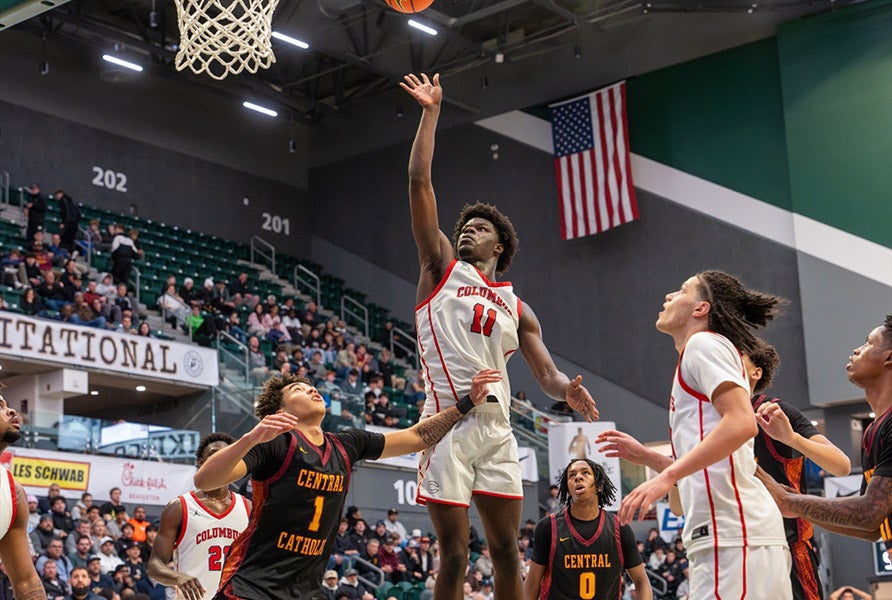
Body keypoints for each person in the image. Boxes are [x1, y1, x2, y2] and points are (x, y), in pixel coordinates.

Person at [400, 72, 598, 600]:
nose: (468, 230)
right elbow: (420, 183)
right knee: (456, 553)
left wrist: (566, 392)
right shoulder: (439, 266)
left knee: (508, 550)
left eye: (480, 228)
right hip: (446, 421)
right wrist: (431, 113)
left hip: (497, 428)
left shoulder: (518, 306)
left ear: (500, 246)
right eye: (465, 225)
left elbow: (548, 375)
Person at [193, 370, 500, 600]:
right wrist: (250, 438)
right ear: (281, 411)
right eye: (299, 389)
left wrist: (467, 403)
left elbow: (418, 437)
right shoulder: (276, 443)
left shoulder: (348, 444)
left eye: (311, 386)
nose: (311, 389)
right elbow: (205, 480)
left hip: (305, 591)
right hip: (252, 588)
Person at [597, 270, 792, 599]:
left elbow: (744, 422)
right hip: (734, 537)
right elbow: (704, 469)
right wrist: (650, 459)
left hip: (734, 536)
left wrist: (666, 474)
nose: (668, 296)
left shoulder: (702, 344)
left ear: (701, 309)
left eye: (682, 290)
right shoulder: (699, 355)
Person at [757, 316, 892, 560]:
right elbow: (872, 528)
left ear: (889, 358)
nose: (856, 350)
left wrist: (789, 500)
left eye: (868, 343)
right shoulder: (874, 430)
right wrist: (796, 504)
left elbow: (869, 513)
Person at [743, 343, 851, 600]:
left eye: (737, 356)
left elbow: (841, 465)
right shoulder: (712, 420)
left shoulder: (774, 411)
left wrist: (792, 438)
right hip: (738, 547)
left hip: (787, 545)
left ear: (755, 372)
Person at [523, 458, 652, 600]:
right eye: (572, 475)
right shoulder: (548, 527)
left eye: (585, 473)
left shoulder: (620, 529)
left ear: (599, 486)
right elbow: (532, 583)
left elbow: (641, 581)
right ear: (568, 487)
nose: (578, 477)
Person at [147, 433, 251, 600]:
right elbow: (154, 565)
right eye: (213, 454)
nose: (221, 458)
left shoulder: (248, 507)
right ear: (200, 462)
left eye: (227, 454)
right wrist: (178, 577)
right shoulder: (179, 507)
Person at [0, 390, 49, 599]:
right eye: (0, 407)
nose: (10, 410)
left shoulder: (14, 492)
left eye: (6, 404)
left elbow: (26, 582)